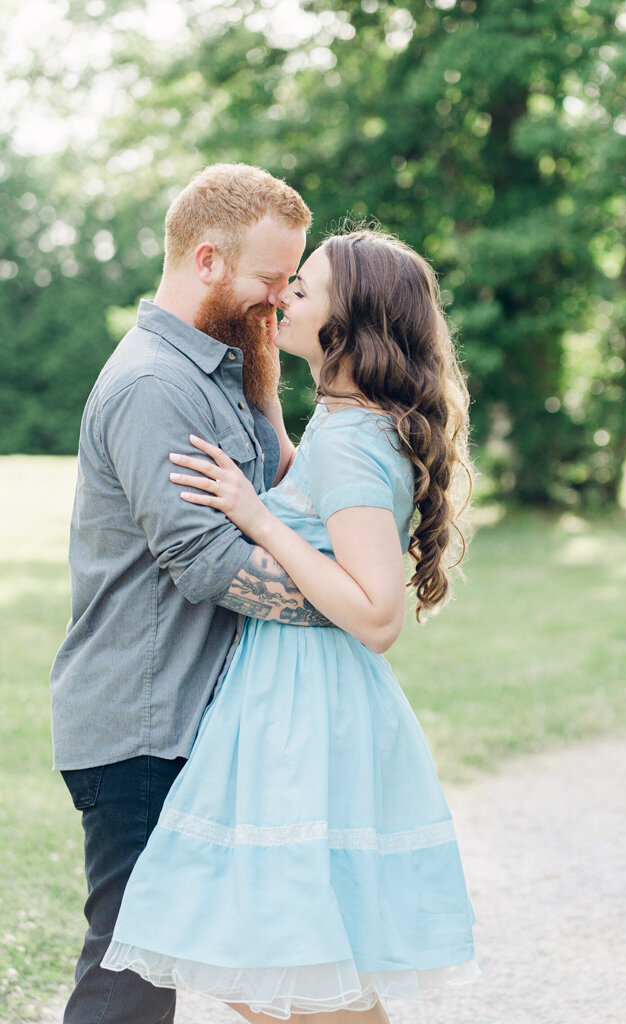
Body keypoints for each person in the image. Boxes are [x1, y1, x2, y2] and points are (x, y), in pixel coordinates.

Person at [101, 228, 479, 1023]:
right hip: (290, 696)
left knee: (275, 960)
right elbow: (315, 508)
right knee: (274, 958)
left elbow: (376, 614)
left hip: (307, 707)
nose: (281, 296)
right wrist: (272, 410)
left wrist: (253, 518)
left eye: (302, 289)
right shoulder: (344, 425)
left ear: (351, 325)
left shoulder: (350, 439)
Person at [50, 163, 322, 1024]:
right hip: (140, 729)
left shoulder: (223, 367)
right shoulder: (153, 386)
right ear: (207, 260)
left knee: (239, 955)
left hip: (192, 724)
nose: (278, 300)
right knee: (129, 982)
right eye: (269, 280)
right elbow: (206, 562)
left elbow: (282, 489)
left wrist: (269, 379)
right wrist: (349, 604)